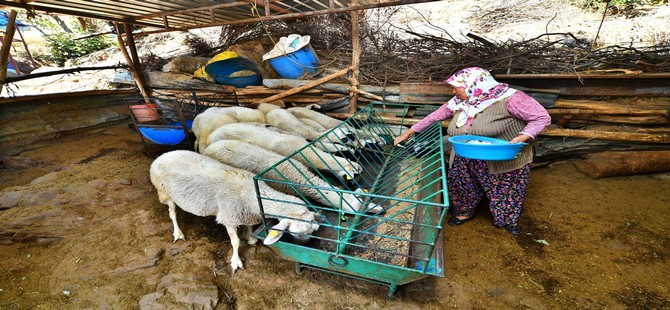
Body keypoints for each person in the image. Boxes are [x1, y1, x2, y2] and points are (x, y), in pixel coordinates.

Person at [393, 67, 551, 235]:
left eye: (456, 87)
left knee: (505, 190)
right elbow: (435, 116)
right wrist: (409, 132)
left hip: (502, 157)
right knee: (462, 185)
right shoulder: (462, 100)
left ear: (474, 84)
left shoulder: (511, 98)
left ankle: (507, 219)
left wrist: (524, 136)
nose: (453, 91)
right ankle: (463, 213)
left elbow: (541, 117)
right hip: (466, 153)